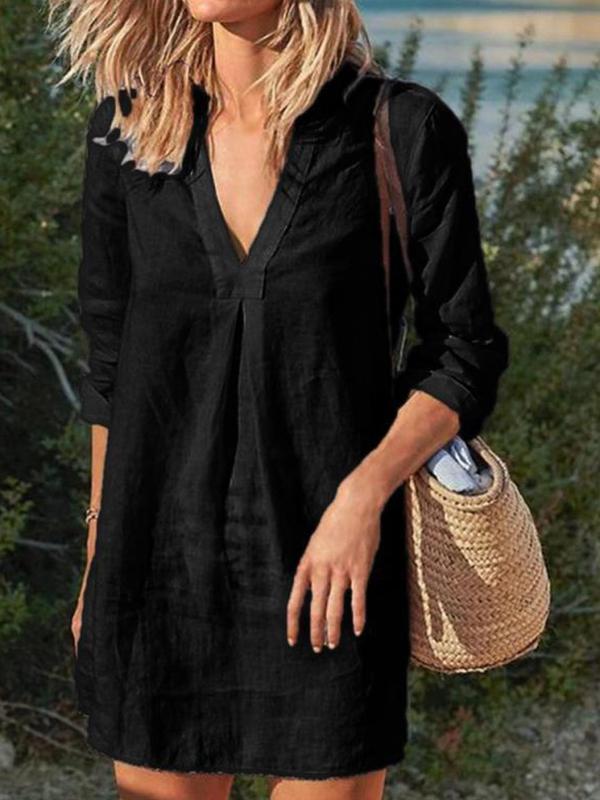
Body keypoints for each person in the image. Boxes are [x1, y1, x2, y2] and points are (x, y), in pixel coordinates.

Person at [49, 0, 509, 797]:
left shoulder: (398, 129)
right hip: (157, 567)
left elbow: (463, 354)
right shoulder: (128, 132)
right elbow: (111, 369)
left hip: (329, 573)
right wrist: (99, 556)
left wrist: (361, 499)